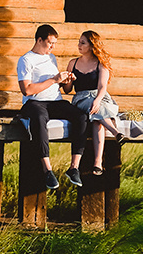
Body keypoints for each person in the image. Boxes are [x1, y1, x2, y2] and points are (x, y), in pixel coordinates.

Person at [17, 24, 87, 190]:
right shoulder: (26, 60)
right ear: (39, 40)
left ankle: (74, 167)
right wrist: (54, 79)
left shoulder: (51, 58)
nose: (52, 47)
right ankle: (47, 170)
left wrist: (64, 81)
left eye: (55, 43)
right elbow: (27, 90)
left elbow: (54, 85)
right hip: (34, 102)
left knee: (81, 116)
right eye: (50, 43)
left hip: (55, 101)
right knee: (40, 118)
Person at [65, 30, 120, 176]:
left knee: (97, 120)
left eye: (83, 43)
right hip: (81, 99)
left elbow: (102, 87)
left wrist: (97, 100)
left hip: (99, 98)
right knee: (93, 108)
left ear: (92, 45)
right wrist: (68, 80)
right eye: (79, 42)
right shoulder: (73, 63)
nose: (79, 45)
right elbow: (67, 90)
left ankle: (97, 163)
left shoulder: (101, 64)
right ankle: (115, 132)